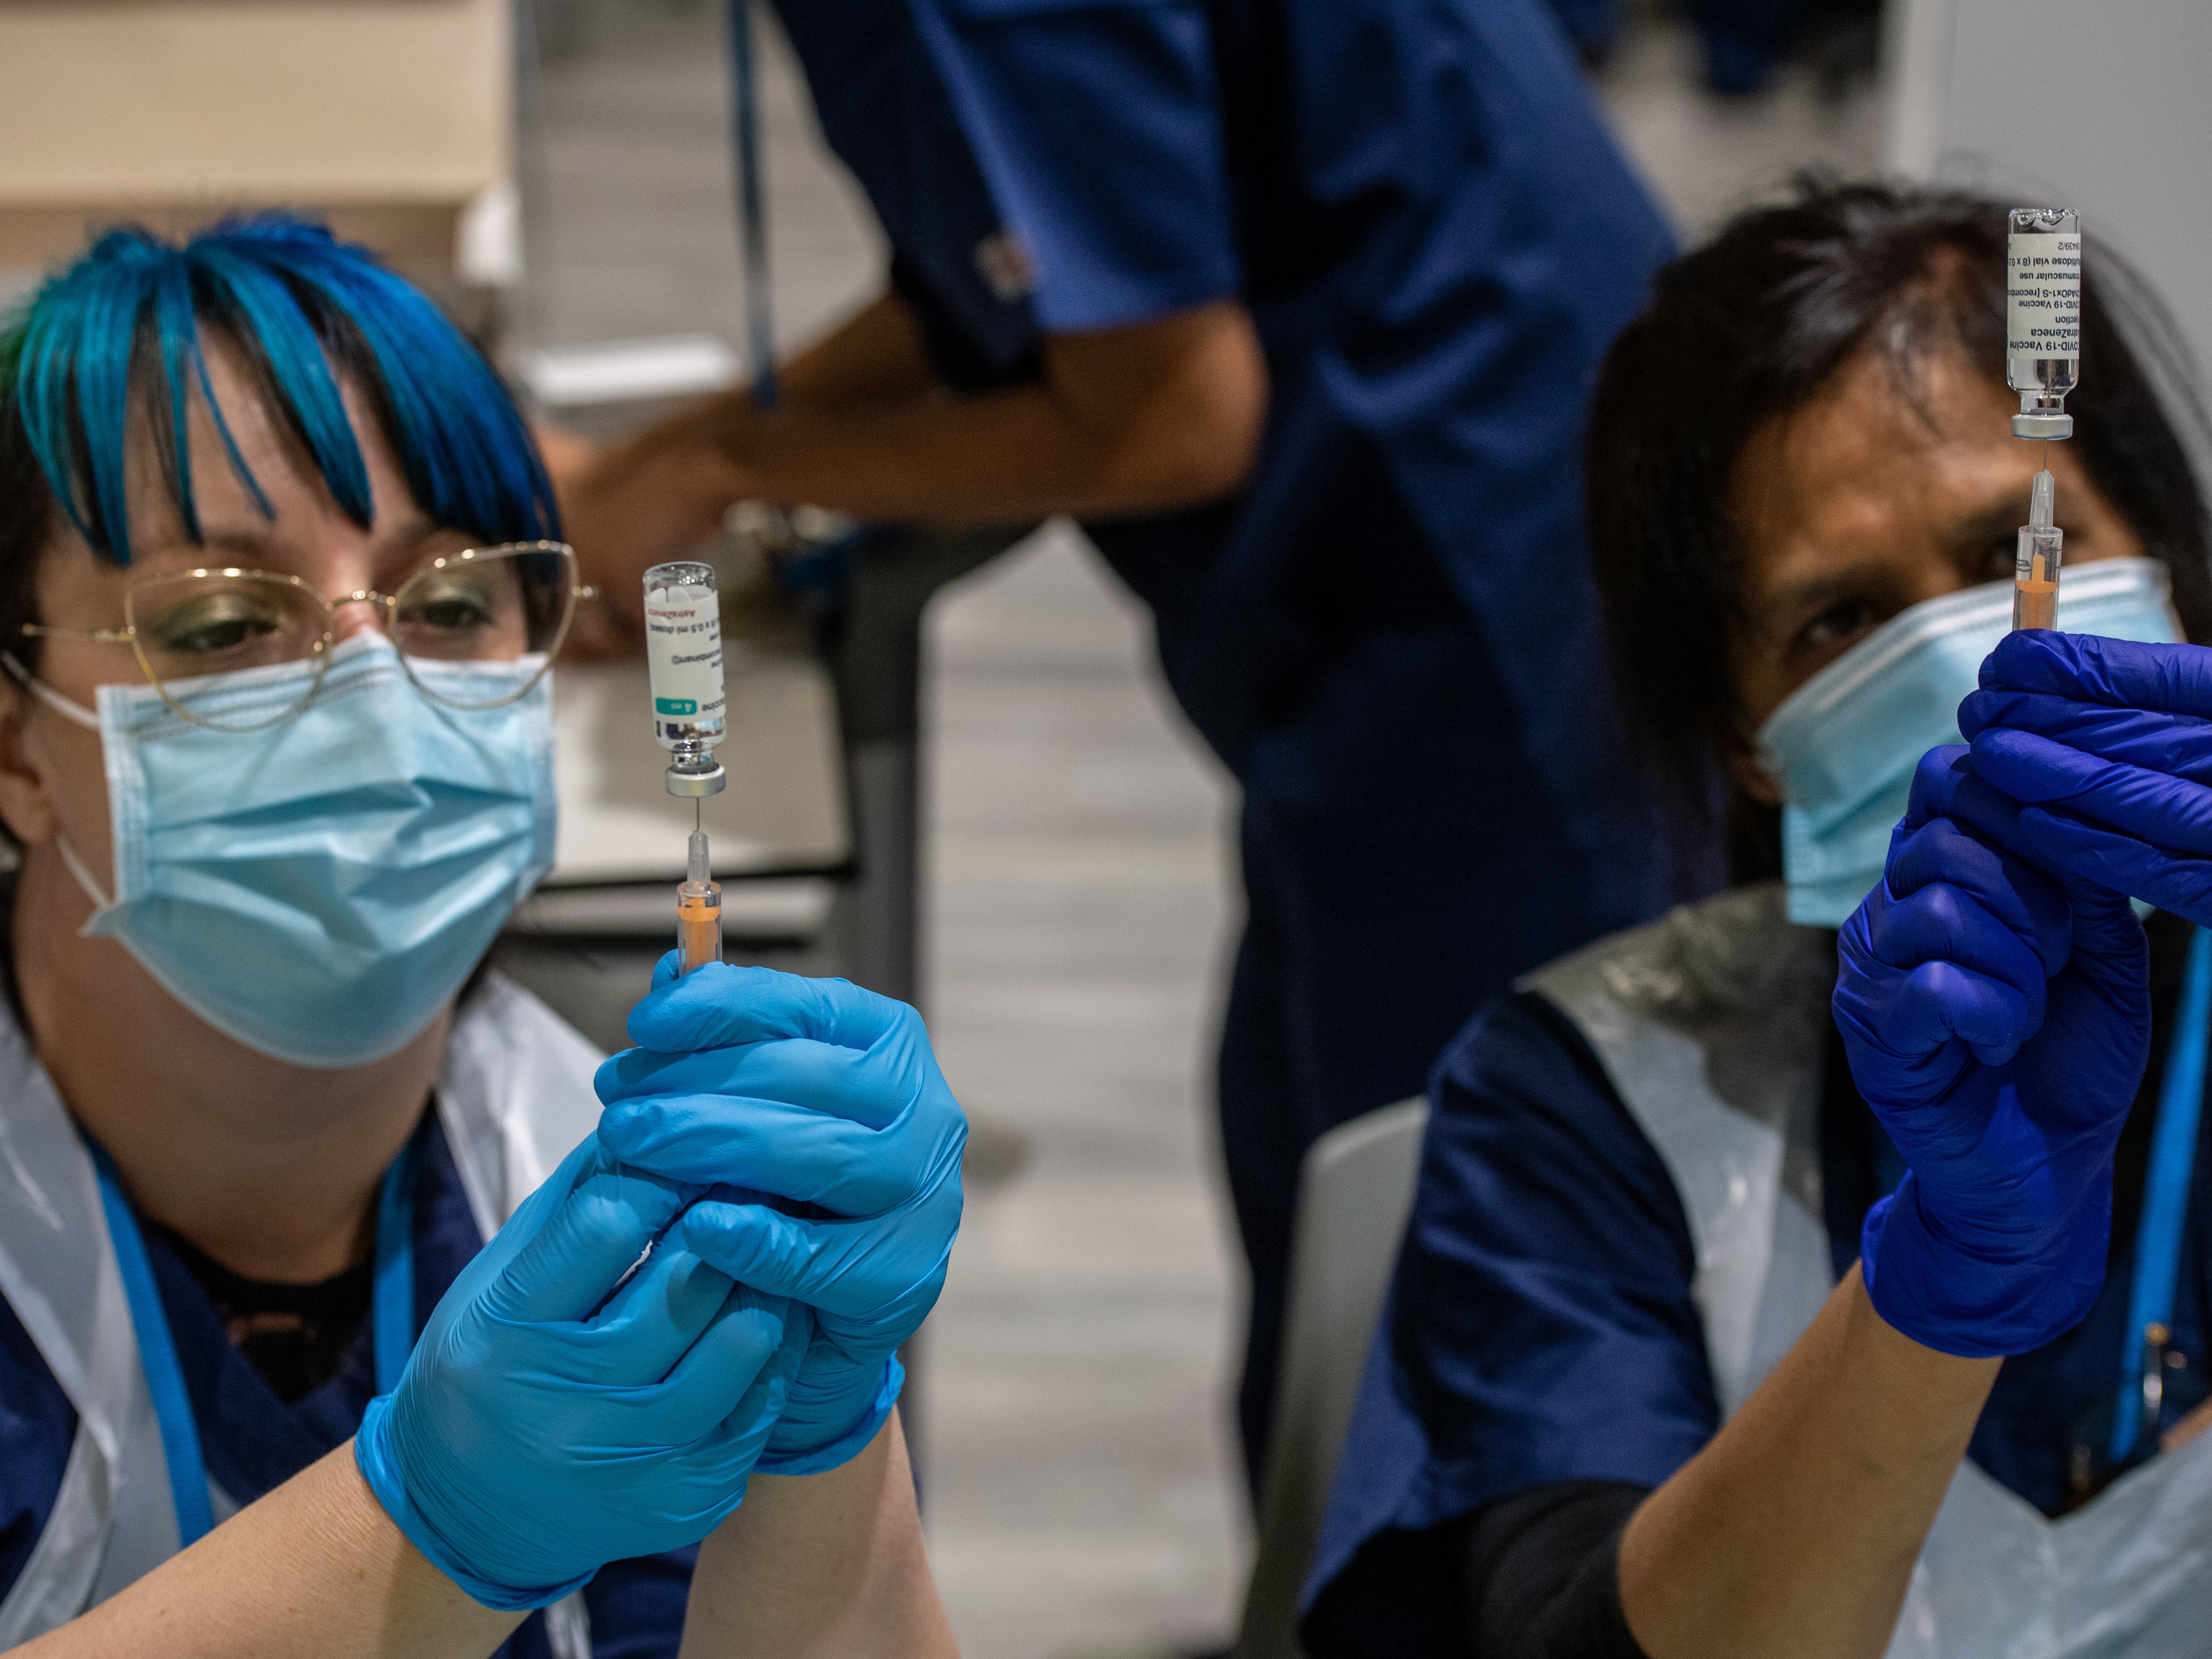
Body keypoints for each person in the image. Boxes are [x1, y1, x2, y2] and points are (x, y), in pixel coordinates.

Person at [547, 0, 1698, 1490]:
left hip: (1497, 585)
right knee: (1313, 1189)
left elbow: (1171, 410)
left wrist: (716, 465)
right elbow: (1018, 279)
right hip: (1389, 604)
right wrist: (668, 459)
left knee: (1466, 1268)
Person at [0, 217, 960, 1655]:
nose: (372, 690)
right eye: (216, 625)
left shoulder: (635, 1212)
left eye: (450, 602)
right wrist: (427, 1527)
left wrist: (824, 1448)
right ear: (14, 737)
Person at [1301, 180, 2212, 1656]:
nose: (1971, 665)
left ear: (2156, 553)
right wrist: (1930, 1301)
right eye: (1837, 620)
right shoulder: (1587, 1090)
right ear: (1745, 738)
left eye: (2005, 557)